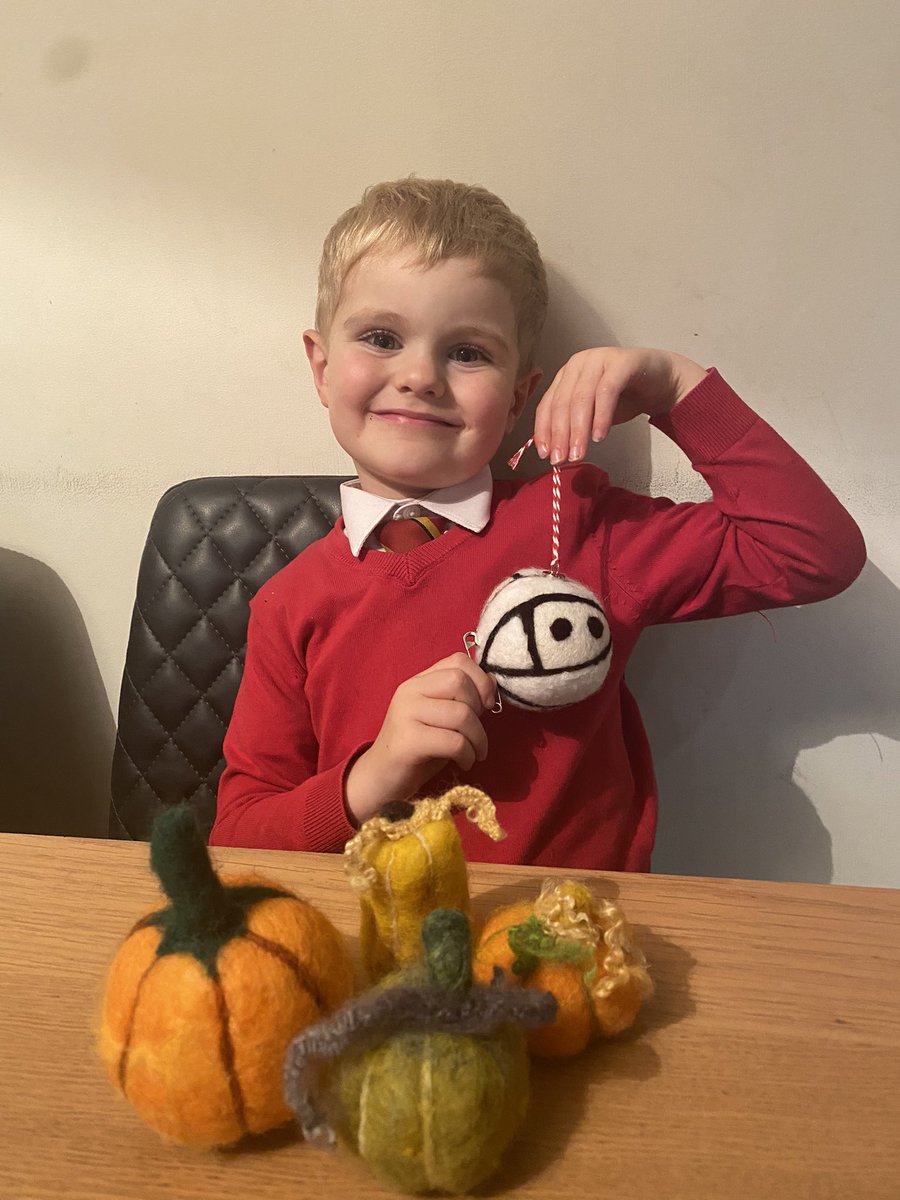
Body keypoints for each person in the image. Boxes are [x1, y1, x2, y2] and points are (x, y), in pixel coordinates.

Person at [209, 178, 866, 869]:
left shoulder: (579, 524)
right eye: (381, 338)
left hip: (579, 945)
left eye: (468, 353)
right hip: (376, 950)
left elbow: (810, 550)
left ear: (522, 392)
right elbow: (237, 839)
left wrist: (674, 387)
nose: (421, 375)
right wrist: (372, 778)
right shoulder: (289, 603)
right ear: (320, 367)